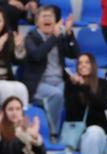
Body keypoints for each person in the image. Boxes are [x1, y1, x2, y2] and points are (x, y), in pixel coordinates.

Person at [22, 6, 79, 138]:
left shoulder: (60, 36)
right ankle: (53, 133)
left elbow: (74, 54)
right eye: (44, 16)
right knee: (57, 95)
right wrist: (54, 37)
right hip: (38, 83)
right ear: (37, 22)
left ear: (56, 21)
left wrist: (69, 33)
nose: (47, 19)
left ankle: (71, 137)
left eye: (50, 16)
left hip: (59, 80)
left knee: (76, 93)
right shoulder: (31, 38)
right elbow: (37, 55)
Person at [63, 53, 107, 154]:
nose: (83, 65)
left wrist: (84, 86)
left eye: (87, 62)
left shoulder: (102, 83)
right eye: (80, 63)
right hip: (77, 134)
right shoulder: (70, 85)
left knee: (94, 132)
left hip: (98, 133)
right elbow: (71, 111)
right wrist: (76, 86)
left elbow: (103, 104)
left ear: (93, 65)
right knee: (89, 136)